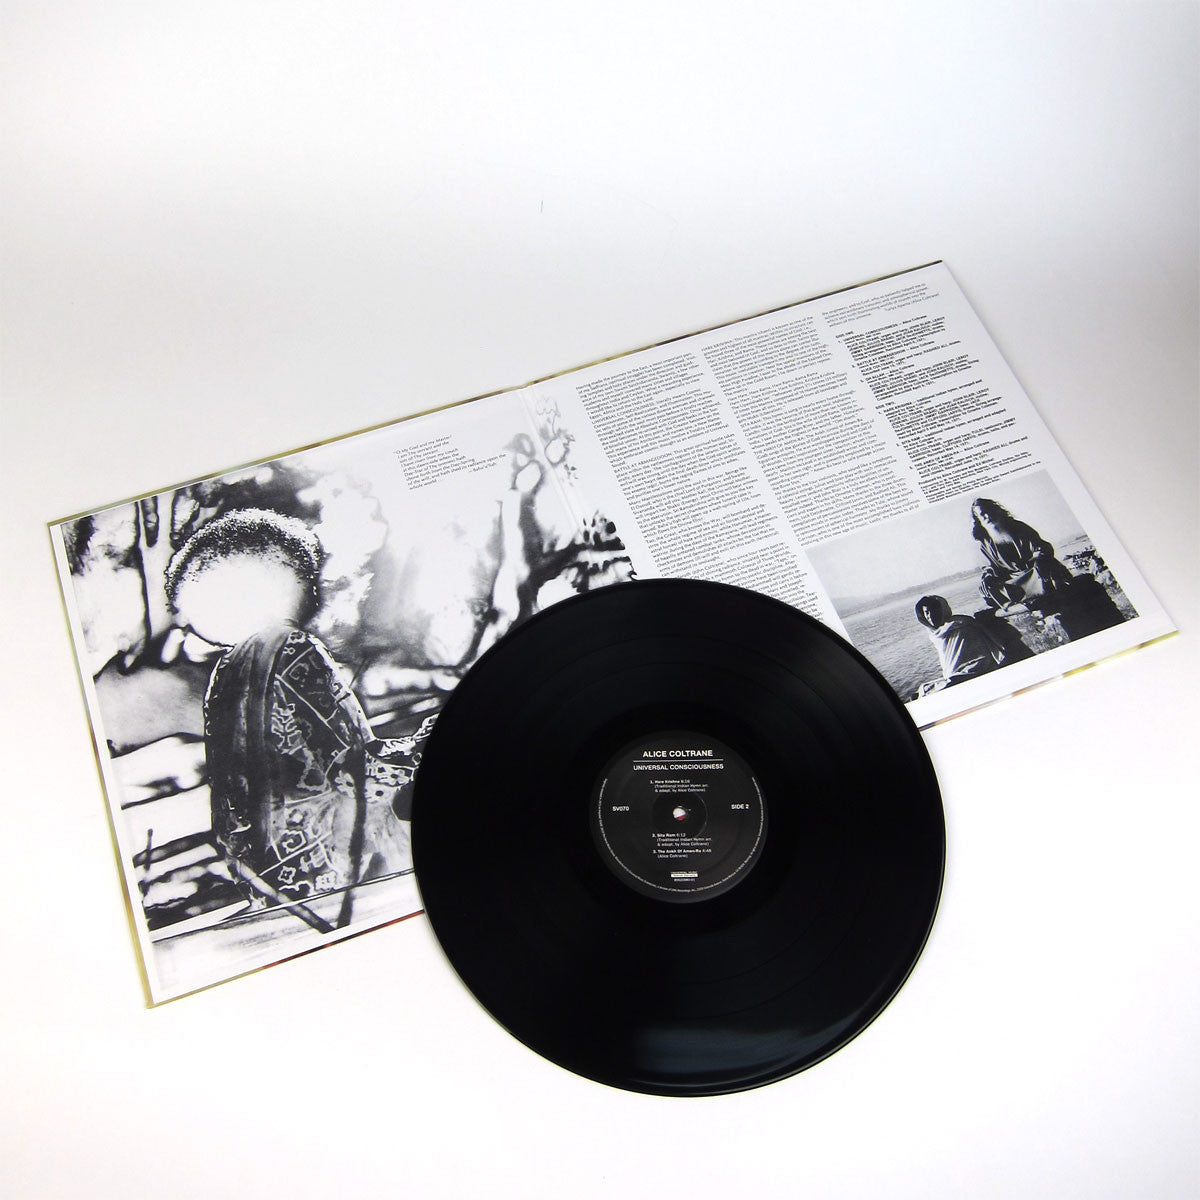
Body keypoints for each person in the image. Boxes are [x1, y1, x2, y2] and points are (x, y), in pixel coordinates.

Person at [165, 509, 416, 927]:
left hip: (266, 876)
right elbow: (352, 769)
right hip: (334, 866)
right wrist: (419, 750)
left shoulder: (226, 673)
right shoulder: (296, 649)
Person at [970, 497, 1074, 612]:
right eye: (983, 515)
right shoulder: (984, 542)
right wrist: (988, 576)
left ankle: (1046, 595)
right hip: (1014, 579)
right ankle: (1010, 606)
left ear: (996, 511)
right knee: (987, 586)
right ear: (979, 520)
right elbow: (988, 567)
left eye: (989, 511)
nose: (987, 516)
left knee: (1047, 568)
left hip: (1035, 571)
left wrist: (1038, 559)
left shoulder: (1018, 527)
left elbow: (1043, 548)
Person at [914, 594, 1007, 692]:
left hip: (976, 667)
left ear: (942, 610)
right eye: (926, 613)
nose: (930, 616)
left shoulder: (961, 624)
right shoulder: (934, 635)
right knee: (924, 689)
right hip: (953, 675)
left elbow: (982, 654)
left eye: (934, 611)